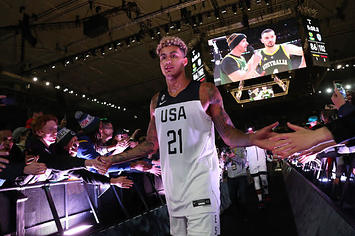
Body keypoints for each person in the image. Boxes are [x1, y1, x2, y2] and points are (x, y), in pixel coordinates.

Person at [101, 36, 278, 236]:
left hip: (201, 187)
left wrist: (252, 139)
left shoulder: (205, 91)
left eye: (173, 56)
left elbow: (227, 134)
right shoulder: (156, 101)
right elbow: (151, 144)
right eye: (163, 57)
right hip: (174, 191)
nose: (167, 61)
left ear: (184, 61)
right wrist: (112, 159)